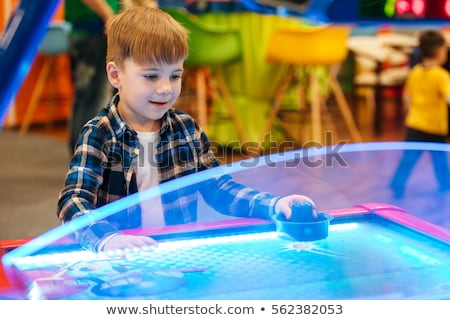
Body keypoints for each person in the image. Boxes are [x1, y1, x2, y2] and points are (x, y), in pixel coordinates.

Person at [57, 6, 315, 252]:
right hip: (121, 263)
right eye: (151, 76)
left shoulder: (186, 128)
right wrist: (106, 239)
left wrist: (273, 205)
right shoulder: (99, 133)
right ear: (116, 75)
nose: (165, 88)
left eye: (175, 75)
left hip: (177, 254)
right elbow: (73, 201)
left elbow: (220, 189)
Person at [390, 29, 450, 199]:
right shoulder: (441, 75)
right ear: (439, 51)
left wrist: (409, 112)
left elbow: (406, 97)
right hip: (434, 127)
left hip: (415, 123)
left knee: (408, 158)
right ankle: (445, 188)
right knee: (440, 161)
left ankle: (397, 183)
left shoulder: (415, 71)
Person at [64, 0, 121, 153]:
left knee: (85, 99)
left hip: (86, 32)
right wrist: (108, 15)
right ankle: (89, 155)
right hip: (95, 32)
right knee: (96, 100)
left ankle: (81, 156)